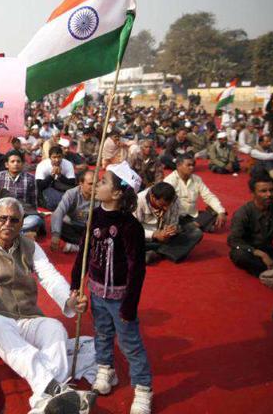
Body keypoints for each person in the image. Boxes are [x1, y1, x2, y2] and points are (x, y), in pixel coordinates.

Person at [0, 197, 96, 414]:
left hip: (26, 320)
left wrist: (69, 300)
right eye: (2, 218)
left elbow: (50, 276)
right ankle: (55, 389)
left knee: (55, 328)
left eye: (14, 220)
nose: (8, 224)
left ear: (22, 223)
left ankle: (46, 400)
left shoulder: (30, 246)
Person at [70, 161, 153, 414]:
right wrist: (76, 283)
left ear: (118, 193)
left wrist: (129, 305)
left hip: (120, 298)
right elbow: (84, 251)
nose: (97, 184)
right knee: (102, 334)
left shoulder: (131, 227)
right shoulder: (95, 215)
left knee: (130, 344)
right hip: (96, 293)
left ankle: (143, 388)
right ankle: (106, 369)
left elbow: (136, 270)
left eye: (103, 181)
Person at [134, 182, 203, 264]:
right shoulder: (139, 200)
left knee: (196, 233)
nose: (166, 209)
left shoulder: (175, 201)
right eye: (162, 205)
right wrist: (154, 234)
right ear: (153, 197)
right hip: (145, 236)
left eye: (168, 205)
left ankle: (157, 253)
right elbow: (132, 228)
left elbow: (174, 222)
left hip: (164, 237)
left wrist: (170, 232)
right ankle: (166, 252)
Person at [227, 171, 273, 276]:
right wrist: (260, 254)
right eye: (263, 191)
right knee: (240, 256)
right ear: (253, 193)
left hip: (267, 249)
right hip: (248, 251)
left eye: (271, 190)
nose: (269, 195)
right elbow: (233, 241)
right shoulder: (243, 213)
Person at [164, 155, 227, 233]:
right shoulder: (169, 181)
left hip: (192, 215)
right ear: (178, 166)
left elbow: (208, 196)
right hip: (176, 217)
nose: (192, 167)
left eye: (193, 165)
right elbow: (165, 204)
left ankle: (192, 226)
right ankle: (199, 225)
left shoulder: (196, 179)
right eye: (188, 165)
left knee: (216, 211)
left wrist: (221, 212)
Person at [0, 150, 43, 235]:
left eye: (18, 161)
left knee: (36, 219)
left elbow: (33, 202)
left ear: (22, 164)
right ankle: (20, 233)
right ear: (6, 164)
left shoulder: (30, 178)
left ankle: (11, 231)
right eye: (12, 161)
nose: (16, 164)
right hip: (3, 215)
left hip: (22, 216)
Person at [50, 170, 97, 252]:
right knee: (58, 225)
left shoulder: (100, 195)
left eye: (96, 184)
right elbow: (59, 212)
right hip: (75, 226)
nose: (94, 187)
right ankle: (87, 246)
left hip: (91, 229)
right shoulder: (71, 193)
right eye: (90, 184)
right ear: (81, 183)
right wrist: (56, 235)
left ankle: (78, 247)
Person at [35, 145, 76, 210]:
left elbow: (72, 182)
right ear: (49, 157)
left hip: (61, 187)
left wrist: (60, 176)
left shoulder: (68, 164)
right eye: (54, 157)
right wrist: (51, 176)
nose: (57, 160)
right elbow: (38, 186)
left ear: (62, 156)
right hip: (46, 188)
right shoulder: (42, 165)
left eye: (59, 157)